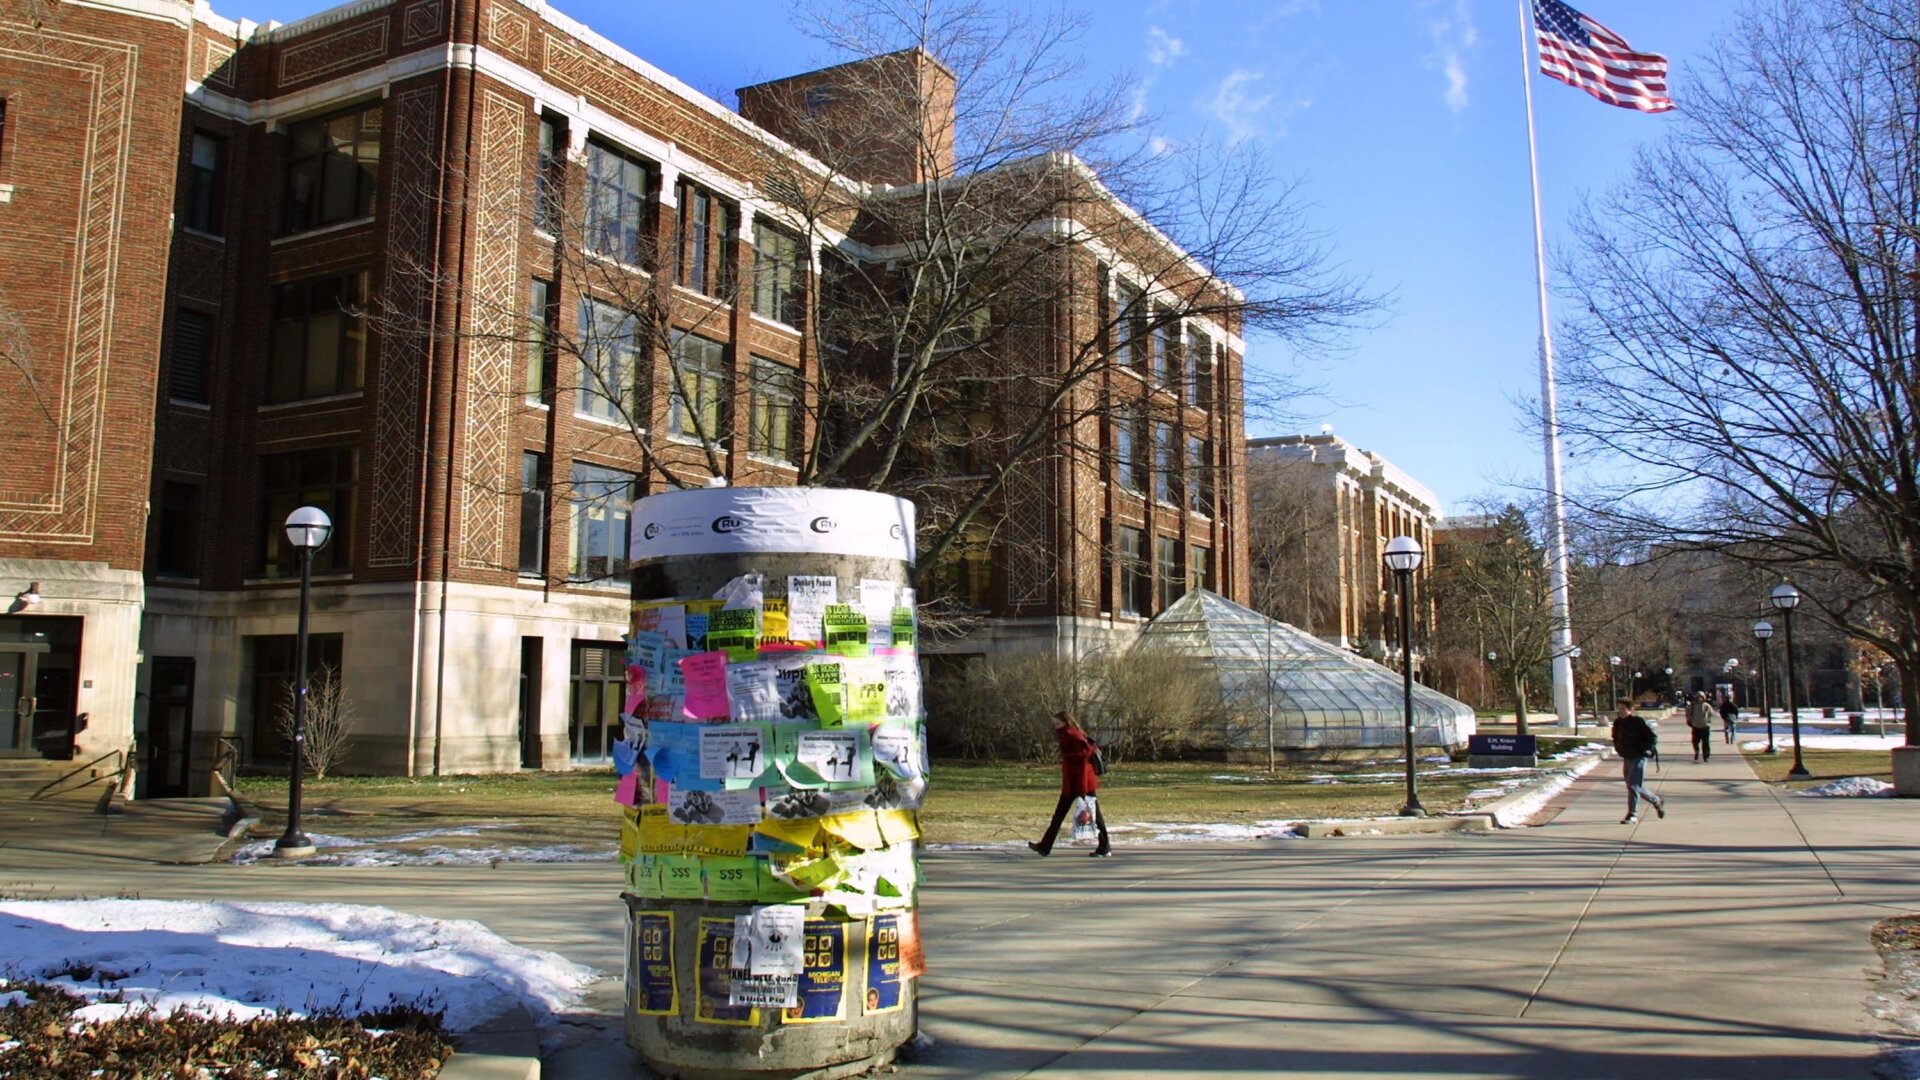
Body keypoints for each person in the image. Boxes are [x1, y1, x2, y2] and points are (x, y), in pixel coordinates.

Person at [1028, 711, 1111, 857]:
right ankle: (1045, 846)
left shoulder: (1070, 735)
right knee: (1081, 814)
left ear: (1065, 722)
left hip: (1079, 784)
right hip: (1076, 783)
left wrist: (1082, 789)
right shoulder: (1071, 734)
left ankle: (1104, 847)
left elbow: (1082, 762)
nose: (1055, 727)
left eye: (1058, 723)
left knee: (1090, 814)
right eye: (1054, 724)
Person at [1612, 700, 1666, 824]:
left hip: (1638, 757)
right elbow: (1615, 737)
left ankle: (1632, 814)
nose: (1620, 711)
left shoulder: (1638, 722)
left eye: (1623, 709)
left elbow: (1652, 738)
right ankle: (1656, 801)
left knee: (1634, 786)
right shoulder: (1618, 723)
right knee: (1631, 786)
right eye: (1619, 708)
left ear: (1630, 710)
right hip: (1627, 757)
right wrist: (1618, 747)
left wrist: (1644, 748)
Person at [1685, 691, 1714, 762]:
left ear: (1703, 698)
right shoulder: (1692, 705)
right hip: (1696, 726)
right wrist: (1690, 720)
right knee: (1695, 741)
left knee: (1705, 742)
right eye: (1698, 697)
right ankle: (1697, 751)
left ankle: (1705, 756)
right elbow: (1688, 713)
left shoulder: (1706, 705)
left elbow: (1711, 713)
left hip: (1705, 726)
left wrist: (1708, 720)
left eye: (1701, 697)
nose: (1700, 699)